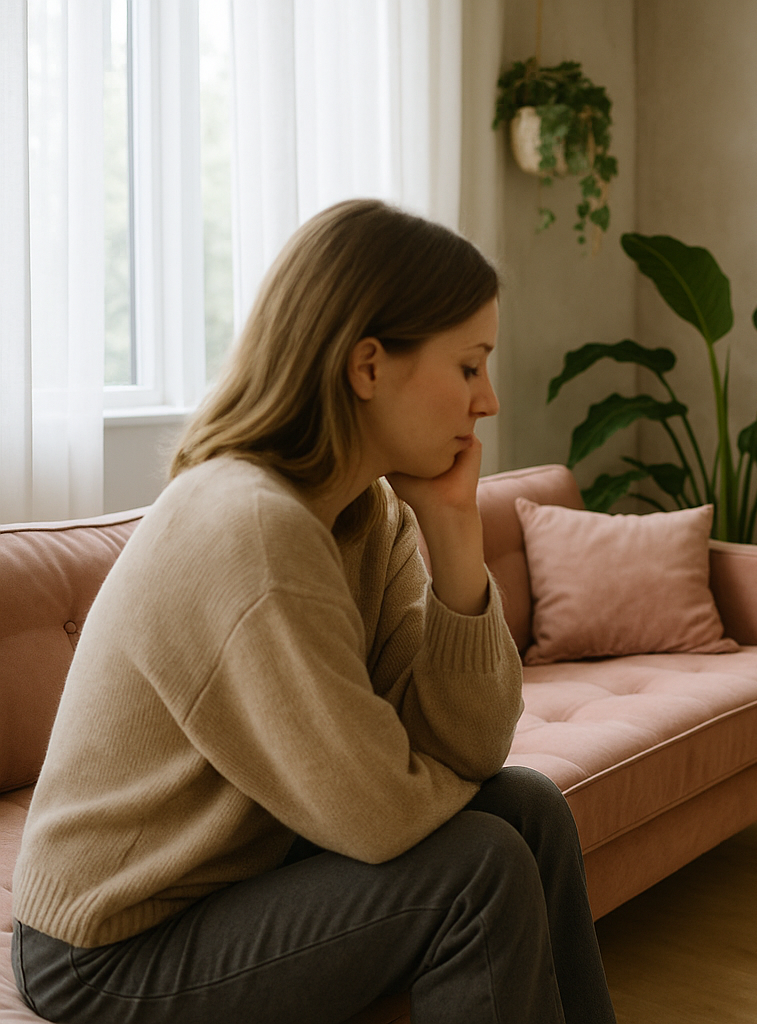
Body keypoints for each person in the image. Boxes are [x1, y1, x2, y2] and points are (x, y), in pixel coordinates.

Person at [10, 199, 617, 1024]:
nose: (491, 402)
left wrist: (455, 529)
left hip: (236, 872)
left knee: (528, 809)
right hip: (108, 946)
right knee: (478, 867)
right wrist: (406, 767)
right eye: (470, 366)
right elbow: (377, 814)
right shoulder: (250, 525)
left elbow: (473, 744)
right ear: (368, 366)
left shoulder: (371, 514)